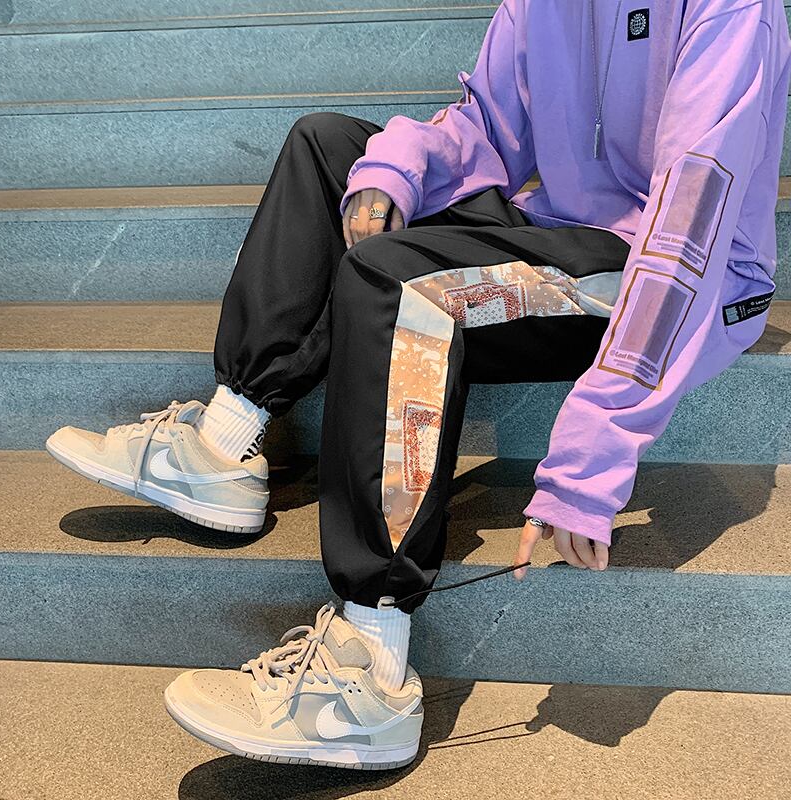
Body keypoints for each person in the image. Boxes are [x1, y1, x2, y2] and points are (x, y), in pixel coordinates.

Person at [45, 0, 790, 770]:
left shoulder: (733, 8)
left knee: (398, 284)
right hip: (562, 225)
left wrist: (592, 455)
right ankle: (225, 439)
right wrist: (392, 174)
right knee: (329, 148)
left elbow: (690, 222)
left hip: (670, 275)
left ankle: (370, 667)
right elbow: (488, 126)